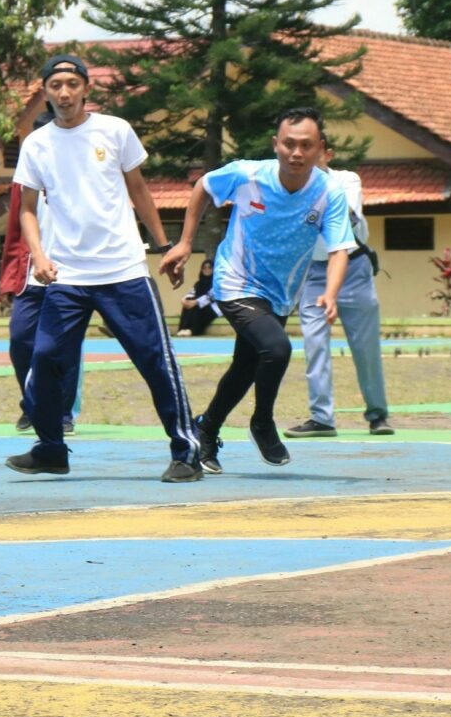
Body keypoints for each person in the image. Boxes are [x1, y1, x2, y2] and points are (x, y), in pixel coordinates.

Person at [4, 53, 201, 482]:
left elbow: (140, 191)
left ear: (86, 89)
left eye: (72, 84)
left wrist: (164, 245)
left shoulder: (114, 131)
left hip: (123, 271)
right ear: (45, 93)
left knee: (155, 362)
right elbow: (28, 211)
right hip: (68, 277)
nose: (64, 92)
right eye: (55, 86)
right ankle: (51, 449)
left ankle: (186, 451)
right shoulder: (36, 145)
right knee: (44, 359)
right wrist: (38, 256)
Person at [160, 107, 355, 474]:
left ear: (320, 150)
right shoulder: (247, 174)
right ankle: (262, 423)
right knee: (277, 349)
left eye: (306, 145)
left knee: (247, 366)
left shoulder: (329, 192)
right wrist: (186, 243)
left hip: (280, 292)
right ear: (275, 145)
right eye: (289, 144)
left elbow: (339, 248)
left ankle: (206, 429)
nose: (296, 153)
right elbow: (204, 185)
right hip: (235, 280)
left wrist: (330, 292)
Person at [284, 142, 394, 438]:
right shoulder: (289, 187)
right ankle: (321, 418)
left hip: (353, 268)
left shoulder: (346, 179)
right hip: (314, 272)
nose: (303, 157)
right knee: (314, 343)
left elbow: (345, 216)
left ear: (327, 154)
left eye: (311, 150)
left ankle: (377, 414)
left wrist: (314, 186)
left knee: (365, 346)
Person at [0, 110, 81, 434]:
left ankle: (61, 413)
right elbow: (14, 230)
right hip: (31, 273)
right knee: (21, 339)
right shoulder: (23, 180)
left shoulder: (77, 175)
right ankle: (32, 403)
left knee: (65, 347)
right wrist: (8, 276)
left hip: (70, 273)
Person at [175, 259, 219, 336]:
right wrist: (184, 300)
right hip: (199, 304)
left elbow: (211, 296)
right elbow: (192, 293)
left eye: (209, 267)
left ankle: (192, 330)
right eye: (204, 268)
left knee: (196, 306)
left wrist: (196, 302)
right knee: (188, 303)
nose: (207, 270)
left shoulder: (217, 283)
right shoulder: (198, 283)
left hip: (213, 307)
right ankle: (182, 329)